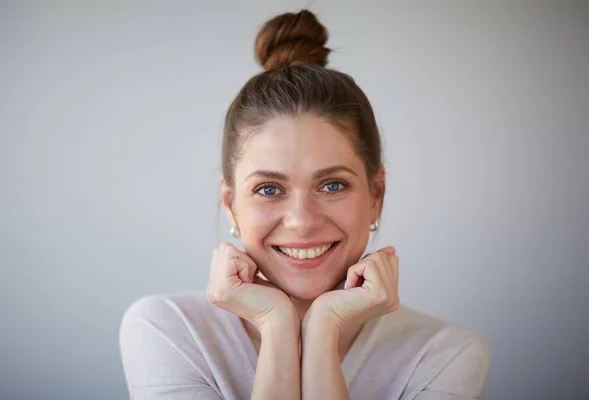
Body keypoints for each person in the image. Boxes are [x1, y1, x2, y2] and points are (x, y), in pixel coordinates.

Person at [119, 9, 490, 400]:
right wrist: (276, 324)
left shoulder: (443, 357)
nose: (301, 221)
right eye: (268, 189)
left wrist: (322, 330)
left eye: (332, 185)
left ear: (375, 195)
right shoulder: (169, 331)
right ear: (230, 205)